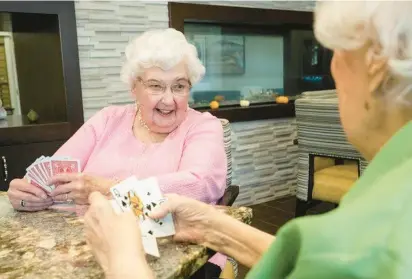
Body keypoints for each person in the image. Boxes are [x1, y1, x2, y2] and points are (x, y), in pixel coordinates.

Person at [84, 1, 412, 278]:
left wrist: (122, 258)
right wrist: (214, 228)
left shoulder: (387, 223)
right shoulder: (392, 179)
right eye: (155, 85)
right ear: (135, 88)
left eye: (338, 54)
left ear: (376, 69)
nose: (333, 72)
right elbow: (314, 259)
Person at [6, 28, 228, 276]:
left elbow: (200, 185)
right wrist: (27, 194)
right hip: (90, 246)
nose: (168, 100)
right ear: (134, 87)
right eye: (156, 86)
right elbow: (54, 174)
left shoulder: (203, 126)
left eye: (179, 86)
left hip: (179, 253)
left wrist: (107, 189)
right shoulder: (108, 119)